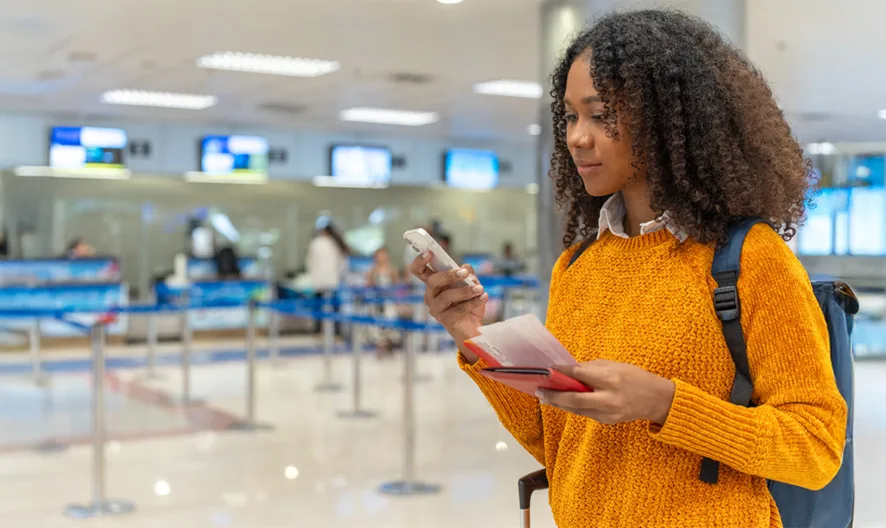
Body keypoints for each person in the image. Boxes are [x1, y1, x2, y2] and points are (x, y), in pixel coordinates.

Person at [410, 10, 846, 528]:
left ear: (669, 120)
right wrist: (472, 336)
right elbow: (556, 443)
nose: (577, 137)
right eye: (570, 117)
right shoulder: (577, 266)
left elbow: (815, 449)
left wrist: (666, 404)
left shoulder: (749, 257)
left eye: (602, 114)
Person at [306, 222, 349, 333]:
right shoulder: (336, 244)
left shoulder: (315, 243)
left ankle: (319, 330)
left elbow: (310, 262)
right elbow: (343, 264)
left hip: (319, 282)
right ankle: (336, 331)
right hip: (332, 281)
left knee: (319, 308)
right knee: (334, 307)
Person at [366, 247, 399, 358]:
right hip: (376, 302)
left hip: (388, 301)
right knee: (377, 325)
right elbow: (368, 285)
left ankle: (389, 345)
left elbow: (396, 286)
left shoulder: (392, 270)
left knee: (390, 323)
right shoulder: (372, 270)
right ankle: (380, 347)